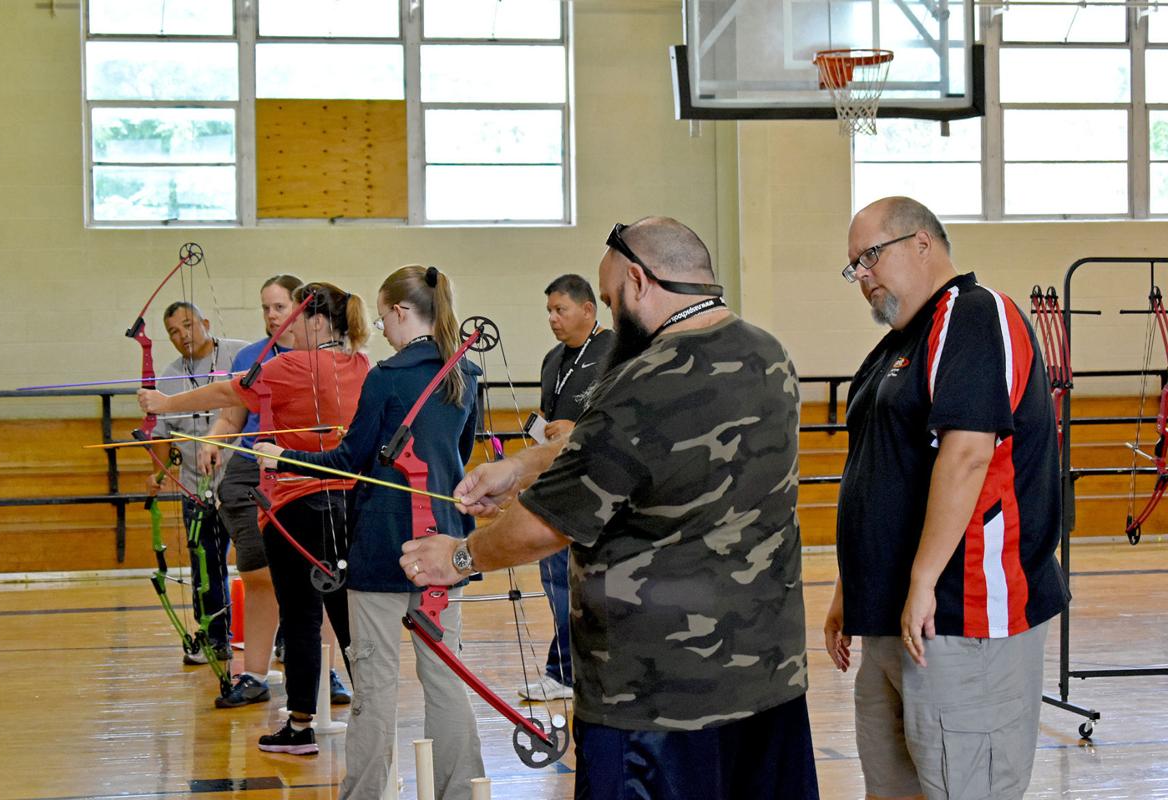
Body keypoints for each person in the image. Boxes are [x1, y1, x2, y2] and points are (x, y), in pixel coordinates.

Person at [400, 218, 819, 799]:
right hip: (769, 684)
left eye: (609, 299)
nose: (609, 313)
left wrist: (460, 556)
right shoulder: (767, 353)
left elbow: (547, 524)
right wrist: (521, 466)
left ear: (640, 281)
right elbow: (636, 448)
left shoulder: (645, 378)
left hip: (654, 704)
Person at [825, 196, 1069, 800]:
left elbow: (967, 453)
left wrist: (924, 580)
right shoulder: (898, 346)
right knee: (891, 789)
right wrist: (847, 591)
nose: (863, 277)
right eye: (854, 266)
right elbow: (875, 473)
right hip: (893, 614)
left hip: (964, 615)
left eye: (870, 258)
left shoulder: (974, 314)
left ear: (922, 243)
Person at [255, 265, 485, 799]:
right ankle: (459, 791)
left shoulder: (386, 376)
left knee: (375, 688)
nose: (381, 330)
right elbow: (459, 454)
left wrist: (281, 455)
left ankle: (365, 795)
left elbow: (346, 462)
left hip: (382, 548)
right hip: (445, 544)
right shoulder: (466, 373)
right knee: (445, 679)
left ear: (402, 313)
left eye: (384, 319)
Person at [139, 282, 370, 755]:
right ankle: (373, 713)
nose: (282, 325)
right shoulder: (361, 364)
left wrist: (164, 405)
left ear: (319, 321)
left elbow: (227, 392)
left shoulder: (285, 366)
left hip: (296, 509)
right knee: (349, 615)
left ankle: (301, 728)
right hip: (351, 507)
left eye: (293, 316)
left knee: (302, 617)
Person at [198, 274, 349, 709]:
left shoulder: (327, 358)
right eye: (265, 308)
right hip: (251, 473)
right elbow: (229, 418)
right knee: (260, 576)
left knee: (320, 577)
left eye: (280, 307)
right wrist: (213, 442)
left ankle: (323, 674)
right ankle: (254, 674)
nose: (271, 316)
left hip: (308, 471)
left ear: (304, 312)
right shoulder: (252, 356)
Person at [522, 274, 615, 703]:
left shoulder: (615, 352)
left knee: (588, 585)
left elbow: (622, 421)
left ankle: (568, 671)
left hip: (599, 491)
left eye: (561, 310)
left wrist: (578, 429)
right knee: (556, 581)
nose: (553, 320)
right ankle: (566, 669)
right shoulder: (551, 359)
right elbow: (550, 411)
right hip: (555, 486)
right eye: (549, 312)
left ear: (589, 310)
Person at [146, 302, 248, 670]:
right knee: (206, 566)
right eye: (173, 331)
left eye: (188, 325)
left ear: (205, 323)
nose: (182, 335)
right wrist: (158, 475)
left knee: (262, 565)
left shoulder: (240, 353)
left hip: (241, 483)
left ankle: (284, 639)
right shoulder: (168, 377)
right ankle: (214, 638)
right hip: (195, 486)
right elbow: (161, 435)